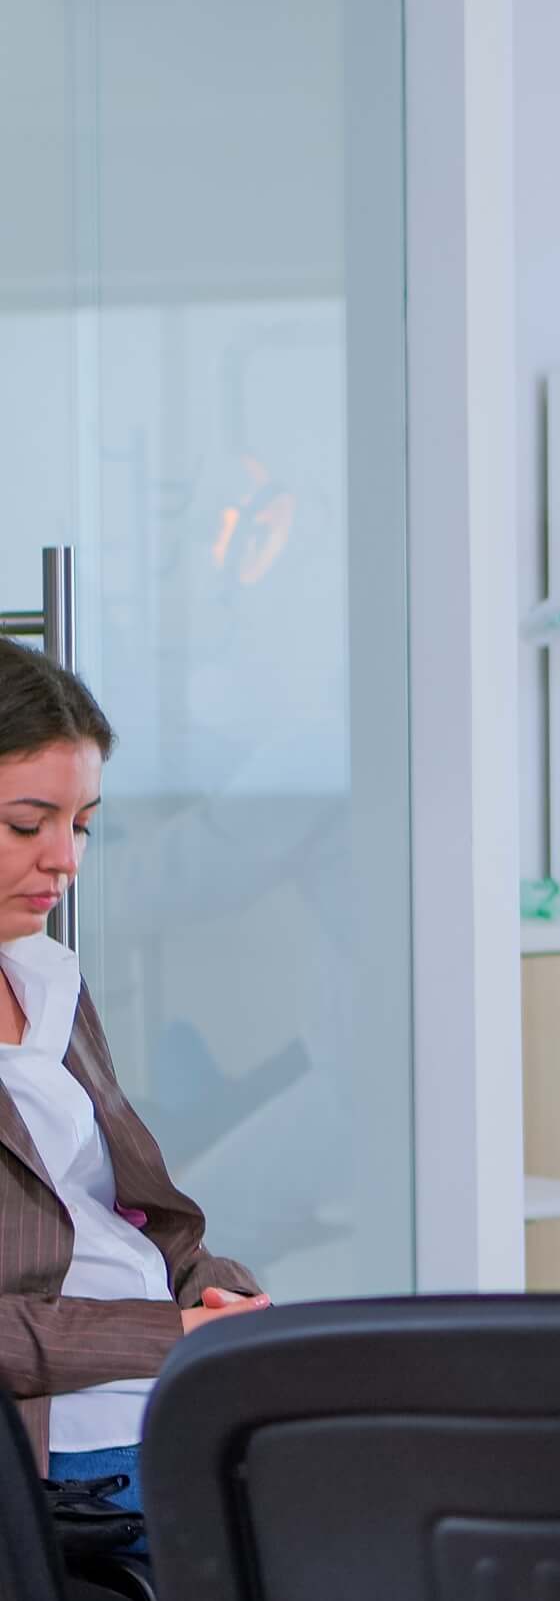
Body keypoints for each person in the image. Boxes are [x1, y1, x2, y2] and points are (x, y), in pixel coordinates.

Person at [0, 641, 269, 1535]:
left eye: (80, 824)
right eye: (27, 824)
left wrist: (217, 1297)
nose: (65, 860)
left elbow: (127, 1215)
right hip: (64, 1444)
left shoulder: (44, 981)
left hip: (160, 1385)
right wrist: (168, 1337)